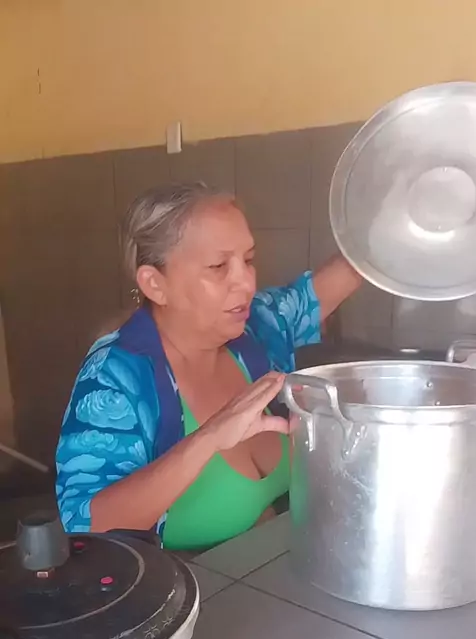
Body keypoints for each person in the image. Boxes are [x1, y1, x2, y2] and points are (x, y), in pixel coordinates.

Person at [56, 182, 362, 550]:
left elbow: (315, 294)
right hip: (188, 584)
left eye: (248, 260)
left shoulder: (254, 328)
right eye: (219, 266)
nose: (246, 283)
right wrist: (210, 437)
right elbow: (86, 526)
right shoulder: (116, 378)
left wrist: (394, 228)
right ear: (155, 284)